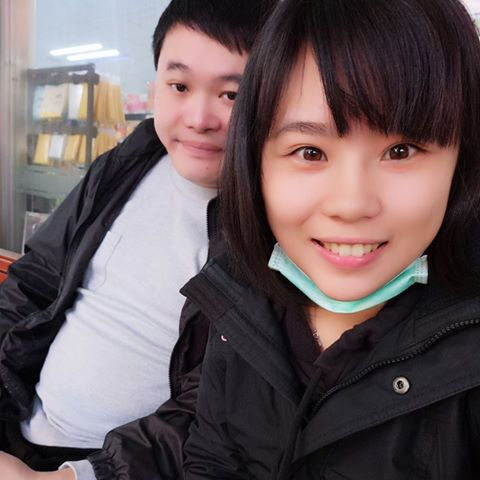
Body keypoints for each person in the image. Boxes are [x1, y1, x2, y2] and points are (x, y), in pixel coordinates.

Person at [182, 0, 480, 478]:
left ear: (461, 163)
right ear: (255, 160)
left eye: (400, 151)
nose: (351, 204)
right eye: (310, 151)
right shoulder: (236, 293)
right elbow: (211, 458)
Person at [0, 0, 276, 479]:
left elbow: (218, 406)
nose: (199, 117)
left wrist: (76, 476)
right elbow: (35, 281)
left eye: (232, 94)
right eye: (179, 86)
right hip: (19, 426)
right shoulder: (125, 165)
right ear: (156, 85)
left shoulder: (273, 223)